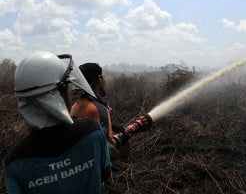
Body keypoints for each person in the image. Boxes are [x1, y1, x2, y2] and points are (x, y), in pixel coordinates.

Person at [3, 52, 112, 193]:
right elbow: (105, 174)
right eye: (68, 88)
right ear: (60, 94)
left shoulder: (14, 162)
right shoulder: (92, 131)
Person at [70, 63, 152, 161]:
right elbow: (107, 149)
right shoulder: (98, 108)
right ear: (99, 79)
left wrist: (119, 129)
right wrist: (133, 129)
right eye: (103, 77)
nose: (105, 81)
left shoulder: (76, 105)